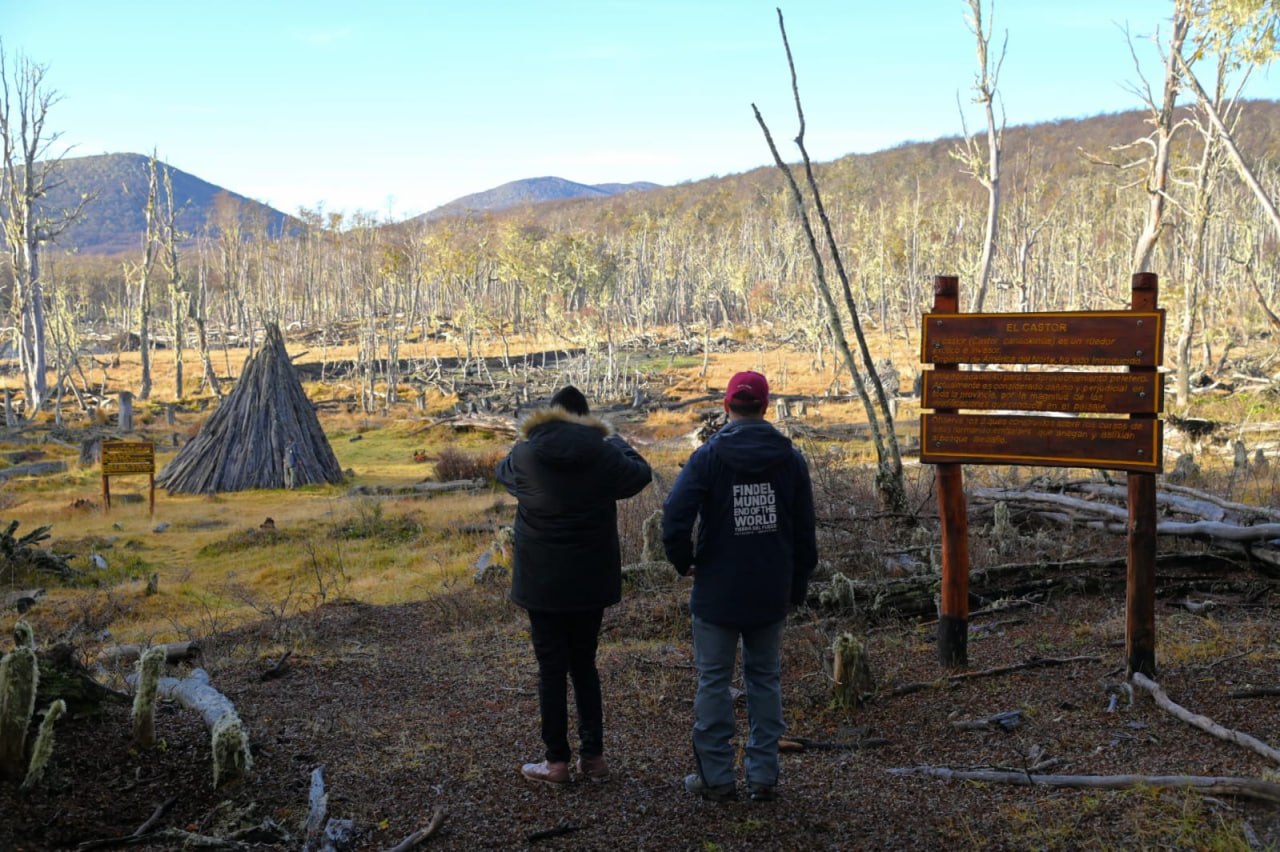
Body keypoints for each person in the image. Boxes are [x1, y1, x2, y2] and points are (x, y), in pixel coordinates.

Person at [662, 370, 817, 803]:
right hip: (770, 590)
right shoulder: (790, 459)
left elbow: (674, 516)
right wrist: (797, 584)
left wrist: (684, 562)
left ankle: (716, 778)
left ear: (727, 407)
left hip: (717, 590)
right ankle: (763, 776)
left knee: (713, 681)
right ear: (765, 408)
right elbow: (806, 532)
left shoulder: (707, 457)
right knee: (764, 679)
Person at [496, 385, 652, 785]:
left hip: (541, 582)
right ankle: (594, 758)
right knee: (584, 663)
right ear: (586, 418)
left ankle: (556, 763)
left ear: (551, 412)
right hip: (589, 580)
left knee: (550, 668)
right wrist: (613, 437)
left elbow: (503, 473)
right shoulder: (604, 452)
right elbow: (640, 474)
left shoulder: (525, 453)